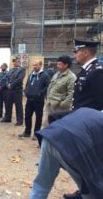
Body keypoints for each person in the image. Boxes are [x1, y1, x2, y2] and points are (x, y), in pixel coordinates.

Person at [48, 39, 103, 199]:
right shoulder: (86, 70)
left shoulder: (97, 72)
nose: (74, 54)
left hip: (89, 127)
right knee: (83, 163)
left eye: (76, 51)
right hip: (81, 123)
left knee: (90, 162)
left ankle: (92, 193)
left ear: (85, 52)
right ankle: (84, 191)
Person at [29, 107, 103, 199]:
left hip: (51, 136)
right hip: (71, 147)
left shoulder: (89, 111)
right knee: (91, 190)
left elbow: (55, 116)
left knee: (42, 184)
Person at [18, 61, 50, 140]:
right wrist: (26, 91)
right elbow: (27, 83)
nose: (34, 66)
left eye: (36, 65)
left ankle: (36, 134)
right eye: (33, 65)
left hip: (38, 100)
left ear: (40, 65)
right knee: (27, 116)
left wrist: (40, 94)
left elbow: (47, 86)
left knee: (38, 117)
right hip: (29, 99)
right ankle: (27, 132)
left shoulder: (45, 75)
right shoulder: (31, 74)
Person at [46, 55, 76, 121]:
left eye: (59, 64)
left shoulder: (71, 77)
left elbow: (71, 93)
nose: (57, 66)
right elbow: (51, 86)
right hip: (51, 104)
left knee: (59, 125)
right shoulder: (57, 74)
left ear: (66, 65)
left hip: (60, 107)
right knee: (49, 124)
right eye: (57, 64)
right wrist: (48, 98)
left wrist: (63, 104)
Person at [1, 56, 26, 125]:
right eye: (14, 61)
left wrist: (11, 85)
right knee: (8, 104)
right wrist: (7, 84)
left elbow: (19, 79)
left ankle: (19, 121)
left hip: (17, 90)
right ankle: (8, 118)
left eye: (16, 61)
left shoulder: (22, 69)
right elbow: (6, 78)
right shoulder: (11, 70)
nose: (15, 63)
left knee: (18, 106)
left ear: (19, 62)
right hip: (9, 90)